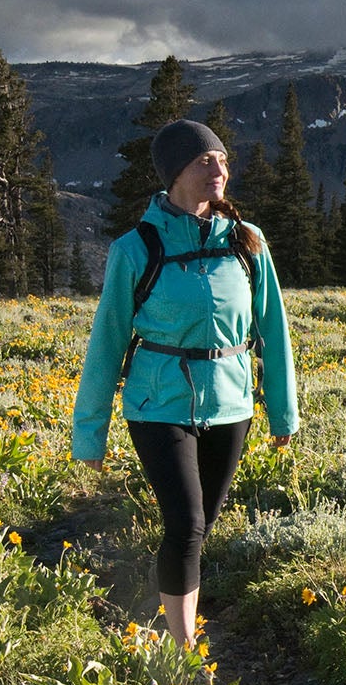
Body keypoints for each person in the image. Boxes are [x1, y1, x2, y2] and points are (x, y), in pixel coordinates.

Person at [71, 119, 297, 647]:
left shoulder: (248, 241)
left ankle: (180, 615)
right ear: (176, 172)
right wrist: (90, 433)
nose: (219, 169)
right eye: (205, 161)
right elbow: (105, 344)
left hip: (231, 404)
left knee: (201, 524)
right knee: (188, 524)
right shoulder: (135, 248)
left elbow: (273, 329)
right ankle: (183, 645)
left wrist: (282, 411)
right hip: (158, 405)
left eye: (222, 159)